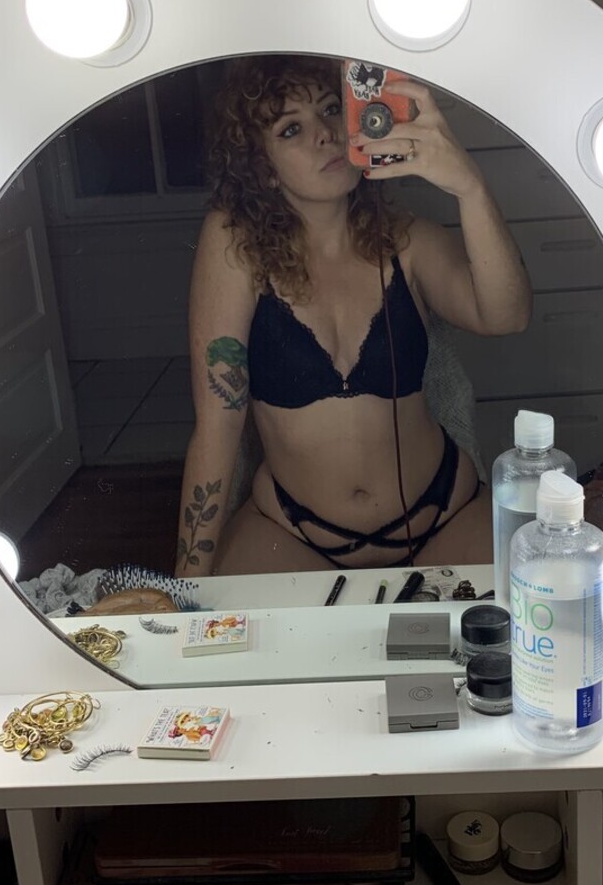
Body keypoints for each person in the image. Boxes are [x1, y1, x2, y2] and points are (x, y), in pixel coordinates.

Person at [175, 55, 532, 576]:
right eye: (291, 128)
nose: (324, 134)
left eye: (329, 110)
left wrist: (469, 186)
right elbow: (218, 426)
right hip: (290, 532)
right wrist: (185, 588)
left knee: (509, 623)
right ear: (262, 168)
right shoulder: (237, 246)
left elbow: (506, 316)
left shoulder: (406, 240)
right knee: (230, 628)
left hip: (443, 515)